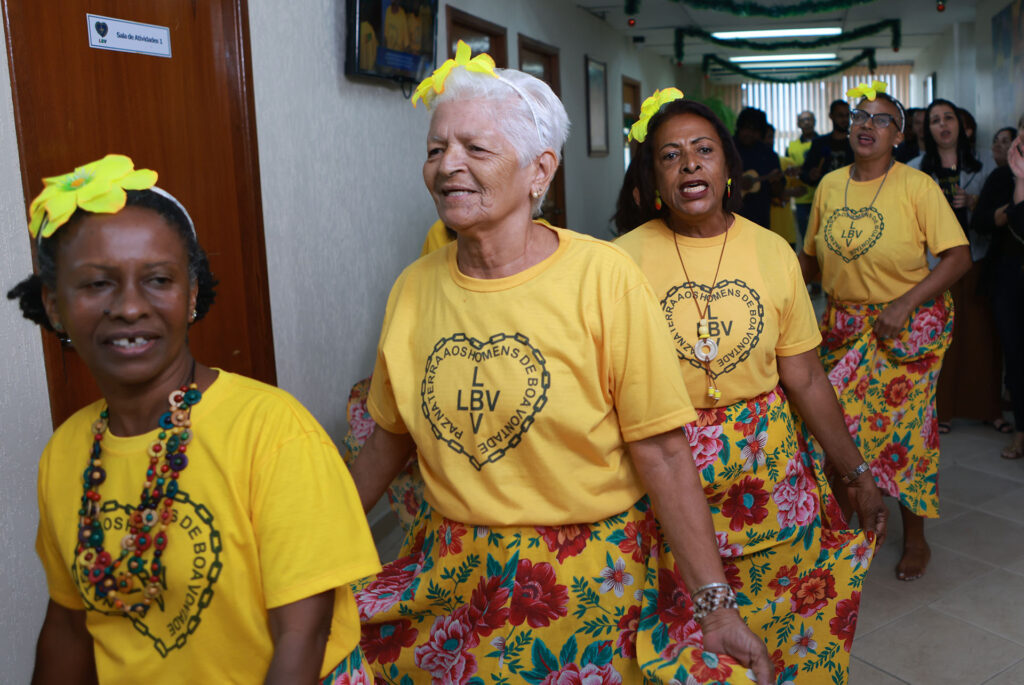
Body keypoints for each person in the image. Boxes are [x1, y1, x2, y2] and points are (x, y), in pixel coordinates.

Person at [348, 47, 773, 684]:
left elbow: (663, 453)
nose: (447, 166)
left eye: (475, 148)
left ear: (539, 170)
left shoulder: (605, 279)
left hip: (585, 580)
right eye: (436, 149)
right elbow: (389, 439)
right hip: (456, 573)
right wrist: (311, 548)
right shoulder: (413, 287)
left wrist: (716, 609)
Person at [6, 155, 381, 683]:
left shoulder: (272, 432)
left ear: (192, 295)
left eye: (158, 279)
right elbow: (69, 628)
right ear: (53, 305)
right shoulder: (66, 452)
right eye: (96, 284)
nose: (129, 307)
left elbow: (303, 635)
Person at [614, 89, 885, 684]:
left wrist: (856, 473)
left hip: (769, 478)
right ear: (653, 177)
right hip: (666, 471)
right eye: (670, 155)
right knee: (685, 641)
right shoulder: (617, 264)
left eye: (703, 150)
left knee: (788, 624)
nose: (689, 164)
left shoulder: (771, 251)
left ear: (729, 167)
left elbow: (805, 376)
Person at [800, 83, 971, 581]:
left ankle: (915, 538)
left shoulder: (917, 186)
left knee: (905, 438)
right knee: (835, 436)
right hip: (841, 330)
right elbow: (810, 261)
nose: (866, 125)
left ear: (898, 136)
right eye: (860, 116)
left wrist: (904, 303)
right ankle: (842, 534)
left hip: (904, 332)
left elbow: (958, 257)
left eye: (881, 119)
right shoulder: (829, 185)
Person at [910, 99, 1001, 435]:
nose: (943, 124)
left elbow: (997, 212)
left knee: (982, 337)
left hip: (977, 259)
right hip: (936, 265)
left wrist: (975, 203)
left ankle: (987, 409)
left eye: (949, 118)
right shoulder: (915, 169)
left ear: (961, 126)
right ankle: (942, 411)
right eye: (935, 120)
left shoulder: (985, 165)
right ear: (927, 130)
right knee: (940, 339)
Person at [972, 128, 1024, 458]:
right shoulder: (1004, 176)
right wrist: (1011, 203)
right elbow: (980, 222)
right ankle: (1021, 431)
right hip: (1009, 277)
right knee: (1016, 358)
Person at [733, 107, 782, 230]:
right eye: (746, 128)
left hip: (760, 220)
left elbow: (778, 192)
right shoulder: (727, 150)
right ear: (739, 128)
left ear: (760, 133)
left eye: (754, 130)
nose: (749, 133)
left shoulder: (769, 155)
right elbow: (721, 184)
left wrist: (775, 182)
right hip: (730, 218)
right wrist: (734, 186)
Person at [800, 99, 854, 191]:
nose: (845, 119)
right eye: (840, 115)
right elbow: (805, 173)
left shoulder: (856, 143)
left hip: (851, 193)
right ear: (831, 116)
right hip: (825, 194)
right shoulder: (819, 143)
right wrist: (811, 175)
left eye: (847, 115)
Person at [787, 110, 818, 245]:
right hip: (802, 199)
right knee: (806, 239)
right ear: (798, 124)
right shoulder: (792, 147)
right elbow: (788, 172)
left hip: (821, 196)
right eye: (803, 120)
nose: (806, 122)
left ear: (814, 122)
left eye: (809, 119)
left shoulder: (823, 143)